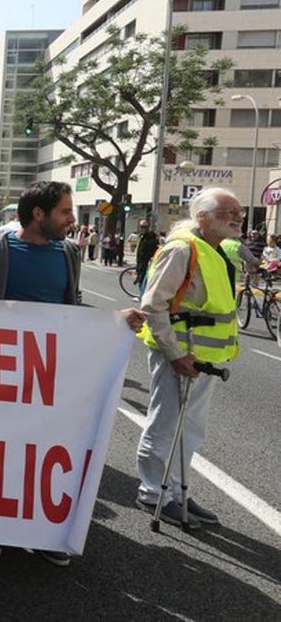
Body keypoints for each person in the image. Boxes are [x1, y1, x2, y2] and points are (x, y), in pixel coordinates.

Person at [0, 180, 145, 566]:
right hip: (3, 370)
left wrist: (113, 321)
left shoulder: (69, 253)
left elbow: (72, 306)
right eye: (66, 212)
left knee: (48, 450)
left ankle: (44, 531)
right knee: (2, 446)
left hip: (52, 372)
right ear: (39, 214)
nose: (72, 220)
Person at [135, 187, 242, 528]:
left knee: (191, 429)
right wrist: (175, 353)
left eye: (238, 212)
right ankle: (153, 493)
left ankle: (178, 491)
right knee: (165, 424)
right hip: (179, 355)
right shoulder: (182, 248)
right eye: (229, 213)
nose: (238, 219)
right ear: (203, 216)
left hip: (205, 358)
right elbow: (153, 305)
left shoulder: (217, 251)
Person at [134, 219, 160, 287]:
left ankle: (142, 289)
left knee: (144, 275)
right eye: (142, 226)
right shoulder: (141, 235)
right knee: (140, 272)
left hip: (146, 258)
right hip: (140, 258)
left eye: (144, 227)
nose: (143, 228)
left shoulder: (151, 235)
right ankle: (139, 283)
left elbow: (154, 245)